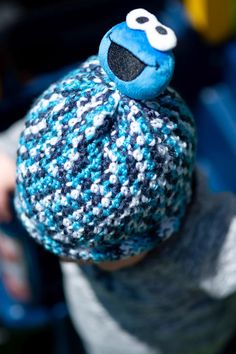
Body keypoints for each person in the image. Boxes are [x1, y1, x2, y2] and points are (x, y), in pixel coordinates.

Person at [1, 9, 236, 354]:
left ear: (152, 233)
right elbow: (35, 135)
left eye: (88, 253)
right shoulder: (64, 133)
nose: (69, 260)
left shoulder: (206, 239)